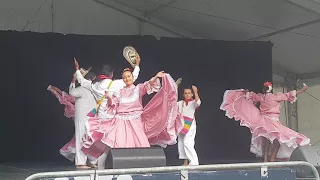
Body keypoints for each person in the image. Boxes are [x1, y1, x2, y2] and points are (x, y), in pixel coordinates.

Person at [81, 68, 183, 169]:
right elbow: (114, 104)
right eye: (124, 77)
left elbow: (148, 84)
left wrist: (156, 76)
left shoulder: (138, 89)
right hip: (120, 121)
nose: (127, 79)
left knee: (139, 146)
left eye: (129, 76)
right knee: (114, 146)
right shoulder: (119, 92)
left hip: (135, 122)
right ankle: (101, 171)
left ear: (133, 77)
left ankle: (143, 171)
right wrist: (108, 98)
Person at [74, 56, 141, 169]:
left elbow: (82, 81)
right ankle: (115, 167)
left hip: (100, 118)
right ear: (112, 73)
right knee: (114, 143)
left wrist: (77, 69)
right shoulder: (116, 84)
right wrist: (137, 65)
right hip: (112, 119)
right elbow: (132, 78)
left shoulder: (95, 86)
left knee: (101, 144)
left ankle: (99, 167)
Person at [220, 82, 310, 162]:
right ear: (271, 89)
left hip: (263, 121)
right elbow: (290, 94)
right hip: (273, 122)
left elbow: (249, 96)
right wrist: (303, 89)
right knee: (277, 141)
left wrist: (245, 92)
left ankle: (266, 160)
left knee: (266, 141)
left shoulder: (261, 97)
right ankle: (272, 159)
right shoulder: (276, 97)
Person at [177, 85, 201, 166]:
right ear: (183, 95)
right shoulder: (180, 103)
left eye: (189, 93)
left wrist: (195, 92)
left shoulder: (193, 102)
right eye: (185, 93)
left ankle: (194, 162)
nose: (187, 95)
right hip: (182, 123)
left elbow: (198, 103)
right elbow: (172, 103)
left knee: (188, 142)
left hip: (190, 124)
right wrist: (174, 89)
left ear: (192, 94)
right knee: (181, 143)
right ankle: (185, 162)